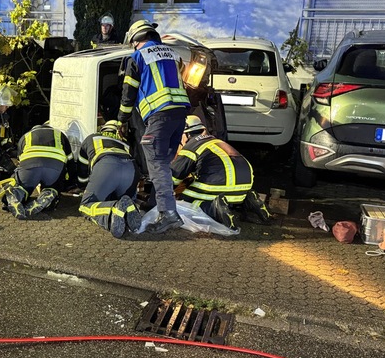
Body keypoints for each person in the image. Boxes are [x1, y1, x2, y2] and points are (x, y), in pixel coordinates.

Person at [118, 19, 190, 234]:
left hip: (159, 115)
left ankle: (168, 214)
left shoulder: (138, 57)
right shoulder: (172, 54)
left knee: (157, 164)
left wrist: (122, 120)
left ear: (136, 40)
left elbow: (128, 93)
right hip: (179, 114)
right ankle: (155, 205)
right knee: (163, 165)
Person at [170, 115, 271, 229]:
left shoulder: (191, 146)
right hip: (245, 183)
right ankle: (248, 201)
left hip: (221, 183)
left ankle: (214, 208)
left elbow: (174, 177)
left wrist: (160, 193)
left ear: (186, 134)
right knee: (225, 194)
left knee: (184, 202)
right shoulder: (215, 140)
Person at [77, 120, 142, 238]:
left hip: (107, 167)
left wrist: (82, 186)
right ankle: (130, 209)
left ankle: (112, 211)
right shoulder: (125, 143)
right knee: (122, 199)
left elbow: (81, 168)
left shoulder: (92, 138)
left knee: (86, 205)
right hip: (131, 170)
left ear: (103, 129)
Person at [2, 123, 76, 219]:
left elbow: (20, 161)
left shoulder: (25, 136)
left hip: (30, 166)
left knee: (23, 186)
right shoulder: (59, 134)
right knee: (54, 186)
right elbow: (70, 161)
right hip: (54, 168)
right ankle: (49, 194)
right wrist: (71, 183)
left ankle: (17, 194)